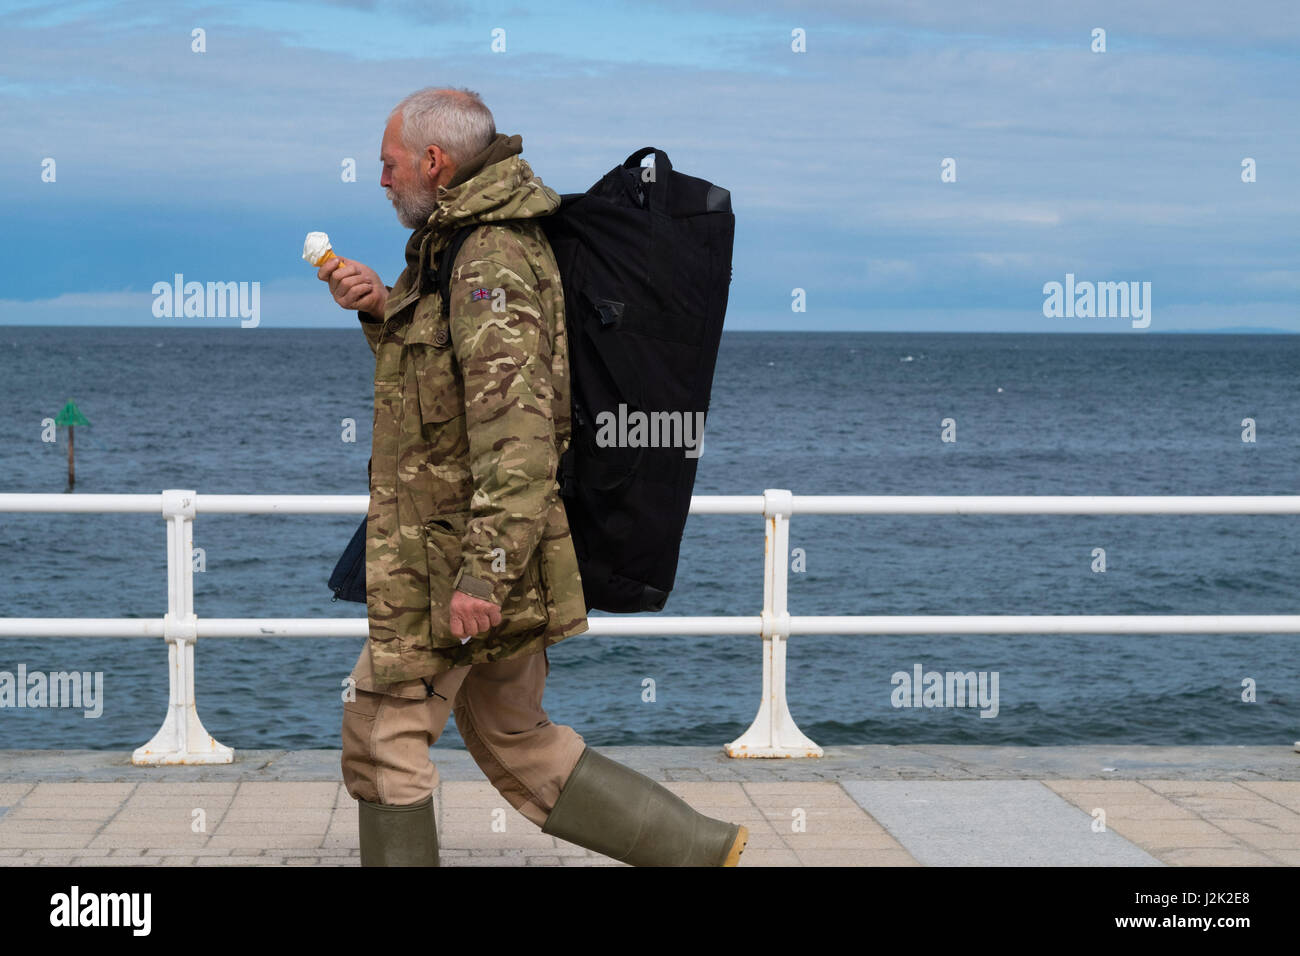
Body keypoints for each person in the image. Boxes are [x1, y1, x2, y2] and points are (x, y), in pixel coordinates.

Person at [317, 86, 748, 867]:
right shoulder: (464, 244)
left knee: (382, 733)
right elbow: (447, 391)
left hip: (461, 554)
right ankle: (702, 852)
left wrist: (483, 572)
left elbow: (517, 430)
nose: (380, 179)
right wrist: (382, 307)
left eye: (388, 164)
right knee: (516, 738)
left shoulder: (488, 257)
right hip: (487, 545)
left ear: (434, 161)